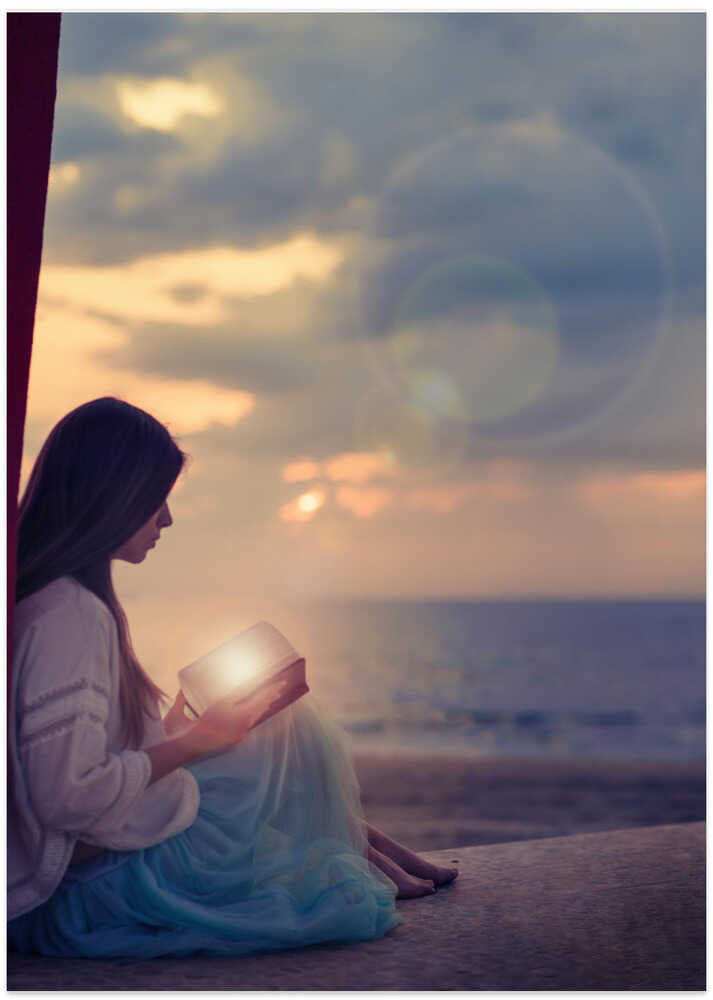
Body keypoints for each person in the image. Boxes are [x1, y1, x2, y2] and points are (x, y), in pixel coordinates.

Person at [8, 397, 457, 959]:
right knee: (285, 725)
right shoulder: (71, 614)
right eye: (156, 501)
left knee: (268, 713)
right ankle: (359, 845)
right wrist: (194, 742)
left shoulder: (53, 598)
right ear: (112, 495)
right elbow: (66, 797)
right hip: (87, 885)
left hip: (93, 854)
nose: (165, 519)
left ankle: (363, 841)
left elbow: (69, 758)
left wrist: (171, 729)